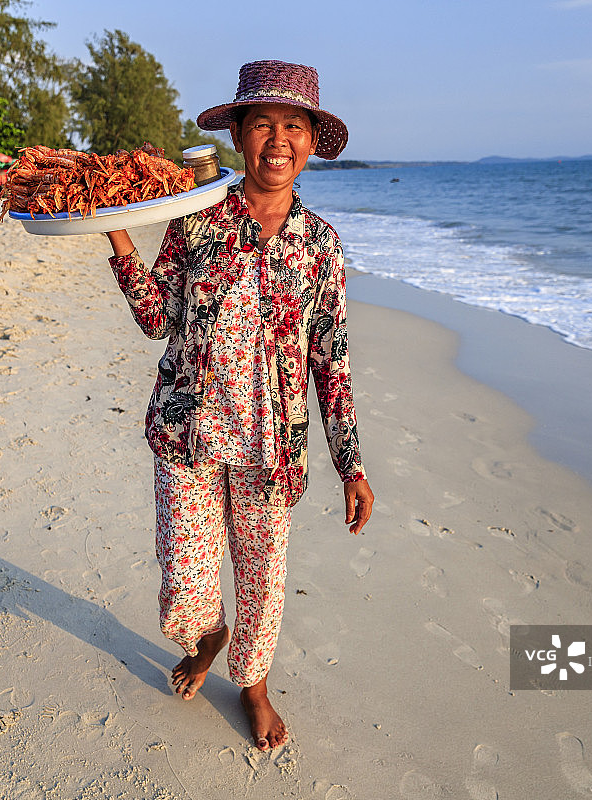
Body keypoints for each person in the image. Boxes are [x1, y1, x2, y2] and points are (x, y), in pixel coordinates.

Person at [105, 60, 374, 750]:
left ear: (310, 141)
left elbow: (331, 360)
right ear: (239, 136)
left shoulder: (321, 246)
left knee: (262, 580)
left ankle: (253, 686)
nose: (277, 140)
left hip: (270, 448)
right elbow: (156, 319)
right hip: (187, 433)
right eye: (262, 125)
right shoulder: (194, 219)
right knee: (184, 580)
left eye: (293, 126)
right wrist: (116, 232)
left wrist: (350, 465)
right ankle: (206, 639)